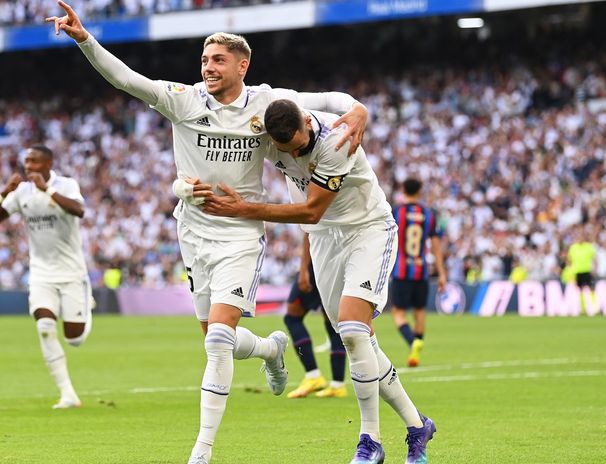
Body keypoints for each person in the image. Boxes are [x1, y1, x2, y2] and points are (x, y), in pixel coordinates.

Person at [47, 3, 369, 463]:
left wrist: (357, 110)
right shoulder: (184, 99)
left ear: (243, 65)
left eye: (218, 60)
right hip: (193, 234)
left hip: (240, 234)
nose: (208, 67)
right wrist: (85, 39)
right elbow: (125, 78)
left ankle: (202, 450)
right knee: (217, 339)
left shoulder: (264, 102)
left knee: (217, 340)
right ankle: (271, 350)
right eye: (204, 60)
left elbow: (327, 99)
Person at [201, 100, 435, 464]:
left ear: (306, 123)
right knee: (359, 341)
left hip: (366, 229)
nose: (294, 155)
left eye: (299, 145)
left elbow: (311, 208)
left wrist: (359, 109)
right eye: (286, 151)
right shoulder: (265, 128)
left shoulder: (335, 140)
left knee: (355, 330)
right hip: (323, 238)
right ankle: (416, 425)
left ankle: (369, 440)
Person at [0, 144, 91, 409]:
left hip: (72, 272)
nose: (28, 166)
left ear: (48, 163)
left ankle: (87, 305)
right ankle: (68, 394)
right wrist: (3, 193)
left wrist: (48, 190)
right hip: (41, 273)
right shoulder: (22, 193)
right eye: (26, 162)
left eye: (34, 162)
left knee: (74, 339)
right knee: (44, 327)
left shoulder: (65, 184)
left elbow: (79, 210)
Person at [390, 178, 446, 368]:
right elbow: (437, 247)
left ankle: (412, 342)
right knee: (420, 312)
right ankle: (417, 345)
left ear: (403, 190)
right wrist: (442, 274)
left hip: (401, 271)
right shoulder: (428, 214)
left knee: (398, 313)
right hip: (421, 271)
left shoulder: (397, 212)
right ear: (420, 191)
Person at [285, 233, 347, 399]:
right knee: (333, 323)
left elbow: (308, 232)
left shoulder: (318, 207)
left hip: (318, 264)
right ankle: (338, 385)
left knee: (292, 317)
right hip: (338, 264)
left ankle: (313, 376)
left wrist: (304, 269)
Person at [567, 227, 597, 314]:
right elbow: (569, 260)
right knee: (580, 290)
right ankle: (583, 308)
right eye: (578, 236)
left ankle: (594, 307)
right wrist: (570, 270)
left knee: (591, 289)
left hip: (587, 270)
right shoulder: (573, 247)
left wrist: (594, 268)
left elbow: (594, 259)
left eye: (581, 236)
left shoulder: (589, 247)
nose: (580, 238)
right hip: (577, 271)